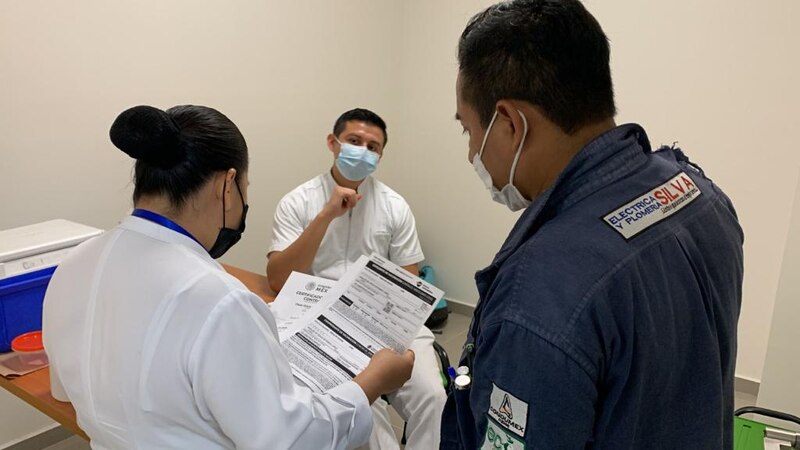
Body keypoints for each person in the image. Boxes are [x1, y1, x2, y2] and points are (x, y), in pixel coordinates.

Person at [442, 1, 744, 449]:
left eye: (469, 131)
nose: (472, 155)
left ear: (509, 123)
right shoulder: (696, 193)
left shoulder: (539, 295)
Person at [42, 104, 415, 450]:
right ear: (227, 184)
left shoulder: (74, 264)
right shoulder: (220, 301)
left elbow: (63, 391)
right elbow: (292, 440)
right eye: (246, 188)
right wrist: (371, 383)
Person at [267, 108, 447, 450]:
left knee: (434, 397)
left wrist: (386, 330)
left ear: (380, 155)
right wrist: (326, 215)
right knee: (362, 406)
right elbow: (278, 280)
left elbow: (408, 283)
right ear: (333, 143)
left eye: (373, 146)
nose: (363, 150)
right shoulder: (298, 201)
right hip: (320, 320)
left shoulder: (394, 206)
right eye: (354, 141)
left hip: (386, 318)